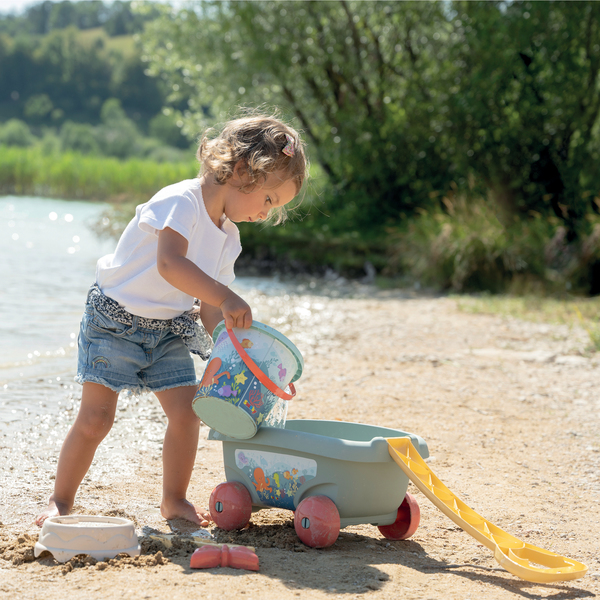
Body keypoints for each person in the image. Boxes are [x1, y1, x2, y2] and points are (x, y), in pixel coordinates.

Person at [36, 111, 308, 527]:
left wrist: (235, 350)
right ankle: (60, 501)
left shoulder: (228, 238)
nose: (266, 214)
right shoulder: (181, 202)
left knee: (187, 414)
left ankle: (174, 500)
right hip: (115, 322)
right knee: (95, 420)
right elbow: (170, 264)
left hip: (169, 331)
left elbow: (210, 308)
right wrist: (225, 295)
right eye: (269, 200)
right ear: (241, 171)